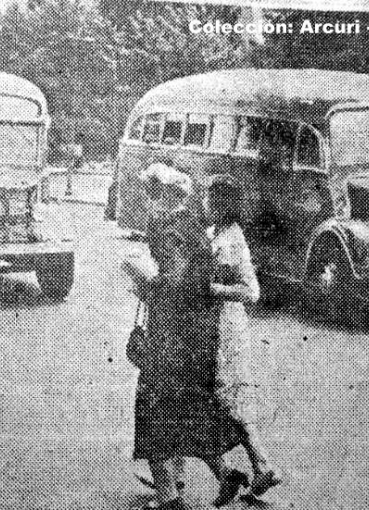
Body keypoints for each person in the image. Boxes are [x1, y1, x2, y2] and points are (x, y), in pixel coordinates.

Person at [123, 164, 249, 510]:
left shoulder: (165, 226)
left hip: (173, 337)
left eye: (149, 194)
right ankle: (225, 474)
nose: (146, 201)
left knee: (154, 408)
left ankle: (169, 500)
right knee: (188, 407)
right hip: (199, 335)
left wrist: (142, 279)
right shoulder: (195, 226)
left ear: (162, 196)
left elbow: (177, 280)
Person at [206, 175, 282, 498]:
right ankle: (259, 467)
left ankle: (256, 467)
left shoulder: (232, 240)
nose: (205, 203)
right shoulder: (216, 234)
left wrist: (214, 289)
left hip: (228, 328)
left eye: (210, 198)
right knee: (222, 400)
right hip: (215, 324)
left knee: (223, 399)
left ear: (221, 203)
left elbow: (252, 291)